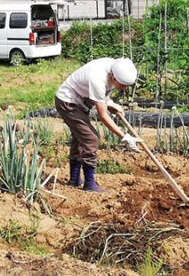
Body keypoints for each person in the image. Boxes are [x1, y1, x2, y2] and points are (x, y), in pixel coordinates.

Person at [55, 57, 142, 192]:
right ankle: (89, 184)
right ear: (113, 76)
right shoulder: (98, 77)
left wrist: (110, 103)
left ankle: (74, 179)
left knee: (80, 138)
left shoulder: (115, 67)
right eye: (122, 85)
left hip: (80, 101)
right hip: (68, 102)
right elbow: (103, 116)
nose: (124, 88)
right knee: (91, 138)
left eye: (127, 86)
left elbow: (105, 92)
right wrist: (124, 137)